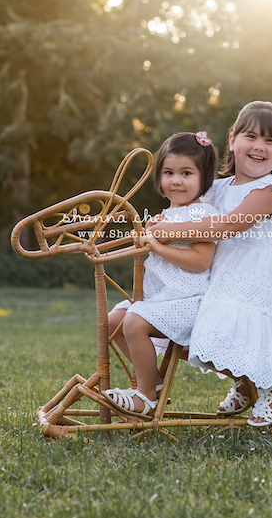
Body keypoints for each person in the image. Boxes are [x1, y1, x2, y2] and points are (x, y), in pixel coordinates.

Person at [146, 101, 272, 426]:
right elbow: (191, 211)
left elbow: (225, 226)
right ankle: (245, 385)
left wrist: (167, 231)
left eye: (271, 140)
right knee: (207, 338)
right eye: (251, 136)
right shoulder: (216, 187)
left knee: (247, 333)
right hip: (219, 272)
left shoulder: (270, 190)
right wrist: (157, 223)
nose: (259, 146)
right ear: (233, 140)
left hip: (255, 276)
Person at [102, 131, 220, 419]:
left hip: (190, 301)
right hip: (163, 299)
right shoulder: (167, 214)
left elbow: (201, 262)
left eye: (186, 173)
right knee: (113, 322)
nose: (176, 180)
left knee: (133, 322)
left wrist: (157, 244)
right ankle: (153, 380)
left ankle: (146, 397)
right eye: (168, 172)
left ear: (203, 179)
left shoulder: (202, 215)